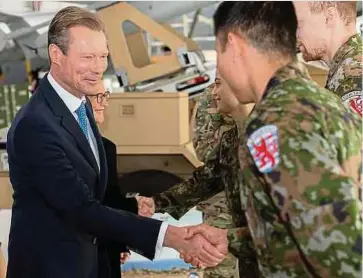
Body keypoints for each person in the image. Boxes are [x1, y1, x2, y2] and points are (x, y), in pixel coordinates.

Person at [5, 6, 227, 278]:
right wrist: (172, 237)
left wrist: (135, 208)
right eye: (87, 57)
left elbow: (96, 195)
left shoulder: (80, 106)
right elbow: (80, 209)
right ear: (56, 54)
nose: (98, 68)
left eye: (103, 57)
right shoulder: (37, 125)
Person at [209, 1, 362, 277]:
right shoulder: (317, 101)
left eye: (216, 53)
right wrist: (228, 239)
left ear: (233, 45)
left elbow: (336, 248)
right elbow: (295, 220)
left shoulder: (279, 122)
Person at [137, 75, 260, 278]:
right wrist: (157, 203)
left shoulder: (275, 125)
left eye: (218, 84)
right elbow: (212, 176)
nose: (212, 93)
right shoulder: (233, 138)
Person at [87, 84, 135, 277]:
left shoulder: (107, 148)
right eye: (98, 97)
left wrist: (120, 243)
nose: (104, 103)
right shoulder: (61, 146)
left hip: (106, 249)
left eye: (105, 96)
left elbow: (111, 200)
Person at [293, 1, 362, 117]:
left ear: (329, 17)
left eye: (299, 24)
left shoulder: (354, 76)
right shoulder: (344, 70)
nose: (296, 35)